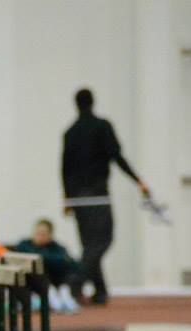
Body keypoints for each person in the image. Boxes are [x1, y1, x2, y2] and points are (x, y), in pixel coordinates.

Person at [62, 88, 150, 305]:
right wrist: (138, 180)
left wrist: (66, 198)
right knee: (102, 241)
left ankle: (100, 291)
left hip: (77, 198)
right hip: (97, 195)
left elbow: (64, 168)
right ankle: (75, 281)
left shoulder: (70, 132)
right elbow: (116, 156)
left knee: (90, 246)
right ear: (93, 102)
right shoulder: (102, 127)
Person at [12, 218, 80, 314]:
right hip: (32, 283)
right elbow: (22, 259)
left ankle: (64, 295)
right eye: (37, 233)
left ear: (50, 236)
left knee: (70, 272)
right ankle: (50, 295)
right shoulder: (24, 245)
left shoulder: (57, 248)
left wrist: (44, 259)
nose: (39, 236)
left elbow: (70, 263)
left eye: (43, 234)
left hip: (56, 281)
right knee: (37, 269)